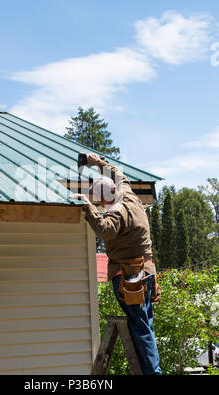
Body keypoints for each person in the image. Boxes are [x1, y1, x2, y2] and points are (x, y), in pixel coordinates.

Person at [70, 153, 162, 375]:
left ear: (104, 199)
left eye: (99, 201)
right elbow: (119, 175)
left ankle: (153, 373)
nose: (100, 204)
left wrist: (86, 205)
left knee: (140, 329)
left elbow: (104, 230)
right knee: (145, 326)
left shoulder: (117, 212)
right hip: (147, 273)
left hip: (130, 275)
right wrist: (98, 163)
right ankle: (153, 370)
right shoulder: (128, 195)